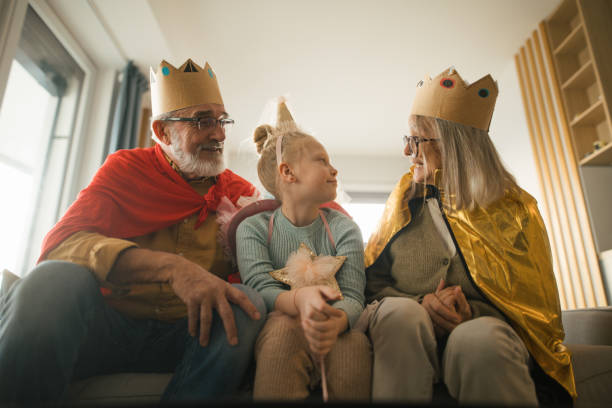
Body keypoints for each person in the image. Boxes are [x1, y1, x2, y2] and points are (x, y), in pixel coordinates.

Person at [0, 58, 266, 402]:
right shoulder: (126, 170)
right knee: (52, 279)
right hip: (108, 327)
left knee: (248, 303)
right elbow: (62, 246)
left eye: (222, 120)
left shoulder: (240, 194)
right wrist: (172, 268)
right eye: (202, 121)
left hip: (188, 335)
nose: (219, 133)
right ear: (162, 132)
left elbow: (266, 268)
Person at [360, 67, 575, 405]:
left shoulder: (516, 209)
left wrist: (471, 313)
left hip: (483, 333)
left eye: (415, 140)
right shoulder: (402, 200)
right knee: (402, 317)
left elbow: (535, 309)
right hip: (407, 332)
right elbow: (369, 282)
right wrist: (421, 304)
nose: (407, 152)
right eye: (408, 139)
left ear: (452, 145)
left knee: (481, 342)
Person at [236, 99, 371, 401]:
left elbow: (352, 296)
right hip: (281, 323)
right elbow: (258, 287)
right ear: (288, 172)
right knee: (282, 333)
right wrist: (299, 299)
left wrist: (339, 320)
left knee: (353, 345)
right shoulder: (253, 229)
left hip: (335, 322)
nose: (334, 169)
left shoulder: (345, 229)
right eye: (321, 160)